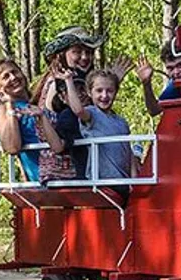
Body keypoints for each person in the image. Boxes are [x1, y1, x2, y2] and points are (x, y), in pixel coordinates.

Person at [33, 26, 131, 178]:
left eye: (89, 52)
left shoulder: (77, 80)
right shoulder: (59, 83)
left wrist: (111, 82)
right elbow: (82, 112)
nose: (85, 57)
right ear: (62, 55)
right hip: (65, 168)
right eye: (77, 52)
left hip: (84, 163)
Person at [0, 58, 66, 183]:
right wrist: (9, 105)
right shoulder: (2, 110)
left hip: (66, 170)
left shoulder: (37, 104)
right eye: (6, 77)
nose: (13, 78)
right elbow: (12, 147)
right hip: (44, 180)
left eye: (15, 72)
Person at [63, 68, 131, 195]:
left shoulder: (122, 122)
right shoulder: (92, 114)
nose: (104, 96)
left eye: (109, 91)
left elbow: (128, 152)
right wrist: (69, 81)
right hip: (102, 182)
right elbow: (78, 110)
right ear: (90, 92)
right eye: (99, 91)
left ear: (116, 92)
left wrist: (135, 179)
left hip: (123, 181)